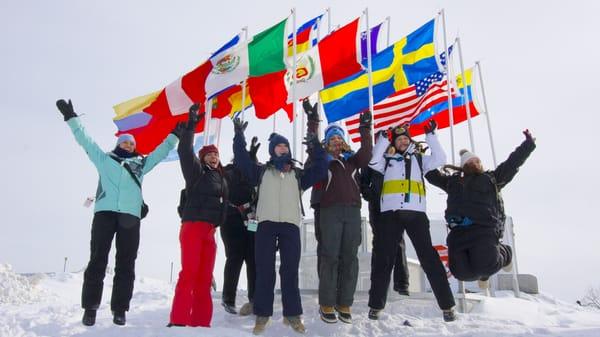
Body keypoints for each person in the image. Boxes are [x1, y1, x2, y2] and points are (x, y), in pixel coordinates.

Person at [56, 99, 178, 326]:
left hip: (130, 217)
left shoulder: (141, 165)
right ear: (118, 144)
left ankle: (120, 309)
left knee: (126, 263)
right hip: (104, 214)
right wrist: (71, 118)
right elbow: (86, 141)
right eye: (124, 143)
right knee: (98, 260)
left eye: (131, 144)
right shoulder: (104, 160)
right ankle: (90, 308)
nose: (128, 146)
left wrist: (176, 135)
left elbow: (161, 152)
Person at [232, 117, 327, 335]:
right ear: (272, 150)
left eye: (285, 146)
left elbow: (321, 168)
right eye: (278, 146)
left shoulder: (298, 174)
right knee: (264, 270)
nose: (282, 149)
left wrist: (315, 146)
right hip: (265, 225)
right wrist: (238, 136)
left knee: (290, 270)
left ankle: (292, 315)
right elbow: (241, 160)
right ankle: (262, 314)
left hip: (290, 226)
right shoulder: (262, 172)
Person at [367, 121, 457, 322]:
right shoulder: (386, 160)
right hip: (391, 214)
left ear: (410, 140)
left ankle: (447, 305)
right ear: (394, 142)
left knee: (429, 258)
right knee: (384, 258)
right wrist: (383, 139)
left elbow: (440, 158)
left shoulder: (419, 159)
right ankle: (375, 306)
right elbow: (373, 163)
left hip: (415, 214)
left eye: (405, 138)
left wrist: (431, 136)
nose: (402, 141)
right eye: (399, 139)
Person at [425, 130, 536, 288]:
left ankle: (505, 253)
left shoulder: (491, 179)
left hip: (483, 230)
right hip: (458, 232)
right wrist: (419, 156)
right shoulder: (453, 182)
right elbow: (431, 175)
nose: (476, 164)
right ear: (464, 166)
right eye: (471, 162)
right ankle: (484, 274)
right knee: (460, 273)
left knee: (487, 265)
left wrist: (528, 145)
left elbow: (512, 164)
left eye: (478, 162)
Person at [168, 104, 229, 328]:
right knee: (189, 274)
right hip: (193, 227)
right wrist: (191, 127)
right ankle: (178, 320)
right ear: (203, 158)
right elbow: (185, 152)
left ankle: (202, 324)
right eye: (209, 155)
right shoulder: (196, 173)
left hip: (210, 232)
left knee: (204, 279)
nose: (214, 158)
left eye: (216, 155)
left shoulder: (222, 179)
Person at [317, 111, 372, 324]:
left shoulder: (352, 161)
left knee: (350, 257)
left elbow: (367, 153)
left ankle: (344, 303)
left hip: (352, 211)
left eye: (340, 138)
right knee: (330, 256)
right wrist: (313, 124)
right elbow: (312, 150)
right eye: (333, 138)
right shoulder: (323, 160)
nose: (337, 141)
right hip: (330, 211)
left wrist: (364, 129)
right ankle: (327, 303)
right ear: (327, 142)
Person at [220, 136, 261, 316]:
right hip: (231, 219)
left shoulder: (254, 175)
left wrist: (253, 158)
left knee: (253, 258)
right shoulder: (228, 172)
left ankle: (254, 298)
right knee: (235, 257)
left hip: (251, 220)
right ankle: (228, 298)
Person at [359, 166, 410, 297]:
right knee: (379, 243)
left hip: (395, 202)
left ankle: (402, 282)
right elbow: (363, 180)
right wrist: (368, 193)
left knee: (398, 240)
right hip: (377, 203)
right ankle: (377, 285)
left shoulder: (398, 155)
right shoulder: (373, 157)